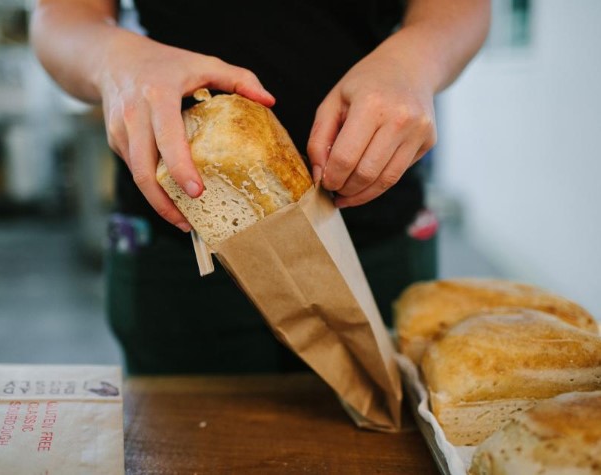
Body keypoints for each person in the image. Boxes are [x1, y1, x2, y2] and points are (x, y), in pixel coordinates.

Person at [30, 0, 490, 374]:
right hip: (181, 245)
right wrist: (118, 61)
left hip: (372, 232)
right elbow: (61, 16)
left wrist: (413, 59)